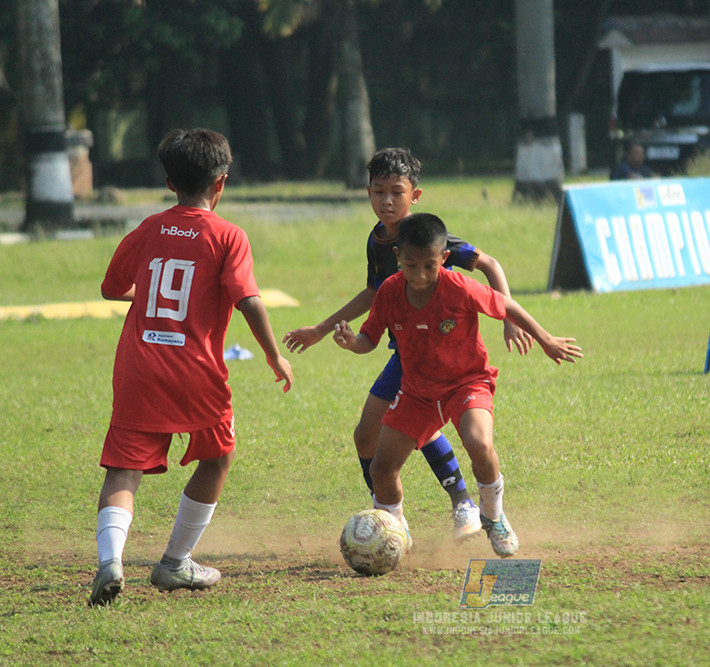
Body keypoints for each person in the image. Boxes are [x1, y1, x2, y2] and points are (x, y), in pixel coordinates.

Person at [88, 128, 294, 607]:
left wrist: (150, 299)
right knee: (217, 457)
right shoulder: (228, 236)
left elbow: (111, 289)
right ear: (220, 183)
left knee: (123, 471)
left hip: (139, 367)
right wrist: (272, 354)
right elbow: (248, 299)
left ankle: (110, 562)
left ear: (169, 182)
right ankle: (175, 562)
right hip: (195, 370)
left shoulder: (148, 228)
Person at [283, 147, 532, 541]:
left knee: (408, 427)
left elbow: (489, 263)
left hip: (439, 354)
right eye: (379, 192)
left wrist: (508, 322)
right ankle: (391, 519)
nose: (387, 201)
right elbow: (375, 291)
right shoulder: (378, 240)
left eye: (396, 192)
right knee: (369, 436)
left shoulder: (427, 235)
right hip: (406, 351)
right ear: (367, 192)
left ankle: (462, 505)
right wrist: (322, 329)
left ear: (414, 195)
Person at [332, 213, 582, 556]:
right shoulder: (390, 291)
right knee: (382, 467)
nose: (420, 275)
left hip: (467, 384)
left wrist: (546, 339)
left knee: (479, 443)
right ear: (398, 258)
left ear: (444, 258)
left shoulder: (460, 288)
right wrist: (351, 342)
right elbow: (369, 339)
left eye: (429, 266)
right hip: (417, 392)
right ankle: (395, 531)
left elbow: (507, 305)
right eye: (411, 265)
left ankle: (493, 516)